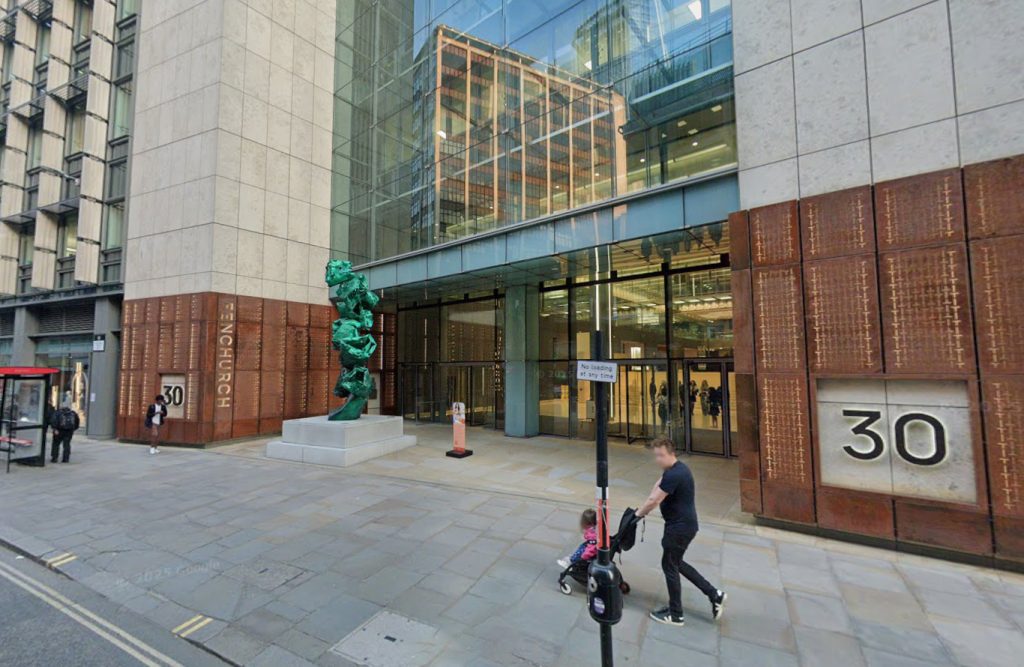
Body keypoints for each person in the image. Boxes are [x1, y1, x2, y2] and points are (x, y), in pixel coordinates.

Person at [637, 437, 726, 626]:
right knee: (675, 563)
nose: (658, 459)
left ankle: (676, 614)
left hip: (679, 528)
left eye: (661, 455)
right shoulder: (676, 470)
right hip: (683, 526)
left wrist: (638, 514)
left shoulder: (675, 474)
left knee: (670, 566)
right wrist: (646, 503)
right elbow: (657, 488)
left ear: (671, 453)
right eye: (656, 456)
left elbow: (655, 500)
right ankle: (714, 594)